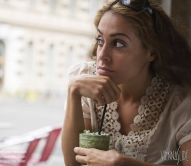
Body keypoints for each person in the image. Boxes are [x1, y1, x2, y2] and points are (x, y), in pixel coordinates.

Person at [61, 0, 191, 165]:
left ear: (151, 52)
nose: (102, 55)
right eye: (100, 40)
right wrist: (73, 90)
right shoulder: (86, 82)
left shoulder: (181, 104)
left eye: (118, 43)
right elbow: (74, 163)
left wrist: (125, 163)